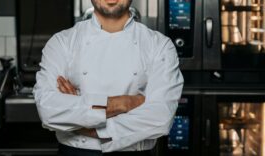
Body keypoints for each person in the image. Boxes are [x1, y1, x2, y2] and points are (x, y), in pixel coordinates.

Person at [33, 0, 184, 155]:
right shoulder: (62, 42)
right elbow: (48, 110)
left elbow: (160, 118)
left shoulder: (159, 45)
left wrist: (80, 118)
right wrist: (125, 103)